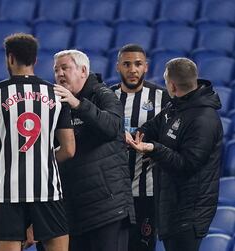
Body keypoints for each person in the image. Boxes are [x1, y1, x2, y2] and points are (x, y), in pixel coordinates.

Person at [0, 33, 75, 251]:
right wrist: (41, 160)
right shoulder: (58, 94)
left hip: (7, 193)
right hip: (48, 190)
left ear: (10, 59)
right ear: (35, 60)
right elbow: (68, 149)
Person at [128, 57, 222, 251]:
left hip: (190, 211)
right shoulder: (175, 106)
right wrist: (129, 137)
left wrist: (154, 149)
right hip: (172, 205)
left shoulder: (204, 119)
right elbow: (151, 128)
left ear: (171, 85)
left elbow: (187, 165)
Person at [52, 49, 135, 251]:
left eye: (65, 68)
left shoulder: (104, 95)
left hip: (107, 208)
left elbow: (112, 128)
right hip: (74, 209)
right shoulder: (57, 105)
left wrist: (78, 105)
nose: (60, 74)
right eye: (56, 70)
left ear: (83, 71)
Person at [110, 44, 170, 251]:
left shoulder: (164, 98)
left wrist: (158, 151)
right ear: (118, 66)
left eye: (138, 64)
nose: (132, 69)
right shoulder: (105, 98)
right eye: (126, 64)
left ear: (146, 67)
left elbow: (176, 137)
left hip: (148, 192)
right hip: (111, 194)